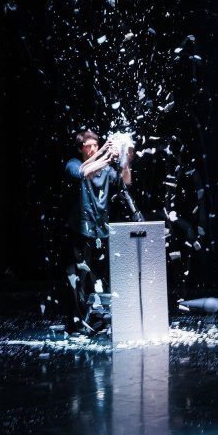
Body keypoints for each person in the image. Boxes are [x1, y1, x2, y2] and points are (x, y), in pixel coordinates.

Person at [62, 129, 132, 333]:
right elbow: (84, 173)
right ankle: (76, 323)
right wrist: (105, 154)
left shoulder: (106, 170)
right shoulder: (73, 164)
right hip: (79, 230)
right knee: (79, 279)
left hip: (101, 230)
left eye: (95, 144)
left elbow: (125, 182)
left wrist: (125, 160)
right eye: (88, 145)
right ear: (80, 148)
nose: (92, 148)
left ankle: (98, 319)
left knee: (99, 278)